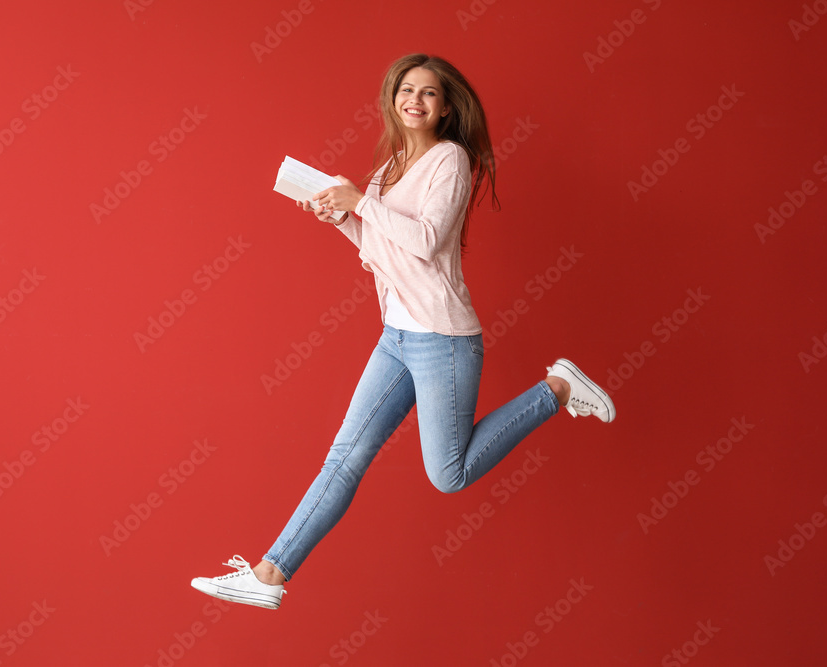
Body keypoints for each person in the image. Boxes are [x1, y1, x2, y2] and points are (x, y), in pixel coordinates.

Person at [190, 53, 615, 610]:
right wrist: (342, 217)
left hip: (444, 341)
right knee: (344, 457)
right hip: (395, 337)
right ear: (393, 100)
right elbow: (383, 252)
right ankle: (271, 573)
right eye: (405, 90)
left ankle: (557, 388)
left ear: (443, 108)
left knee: (449, 475)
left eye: (429, 93)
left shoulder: (450, 161)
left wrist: (359, 203)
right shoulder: (387, 169)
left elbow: (428, 241)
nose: (415, 99)